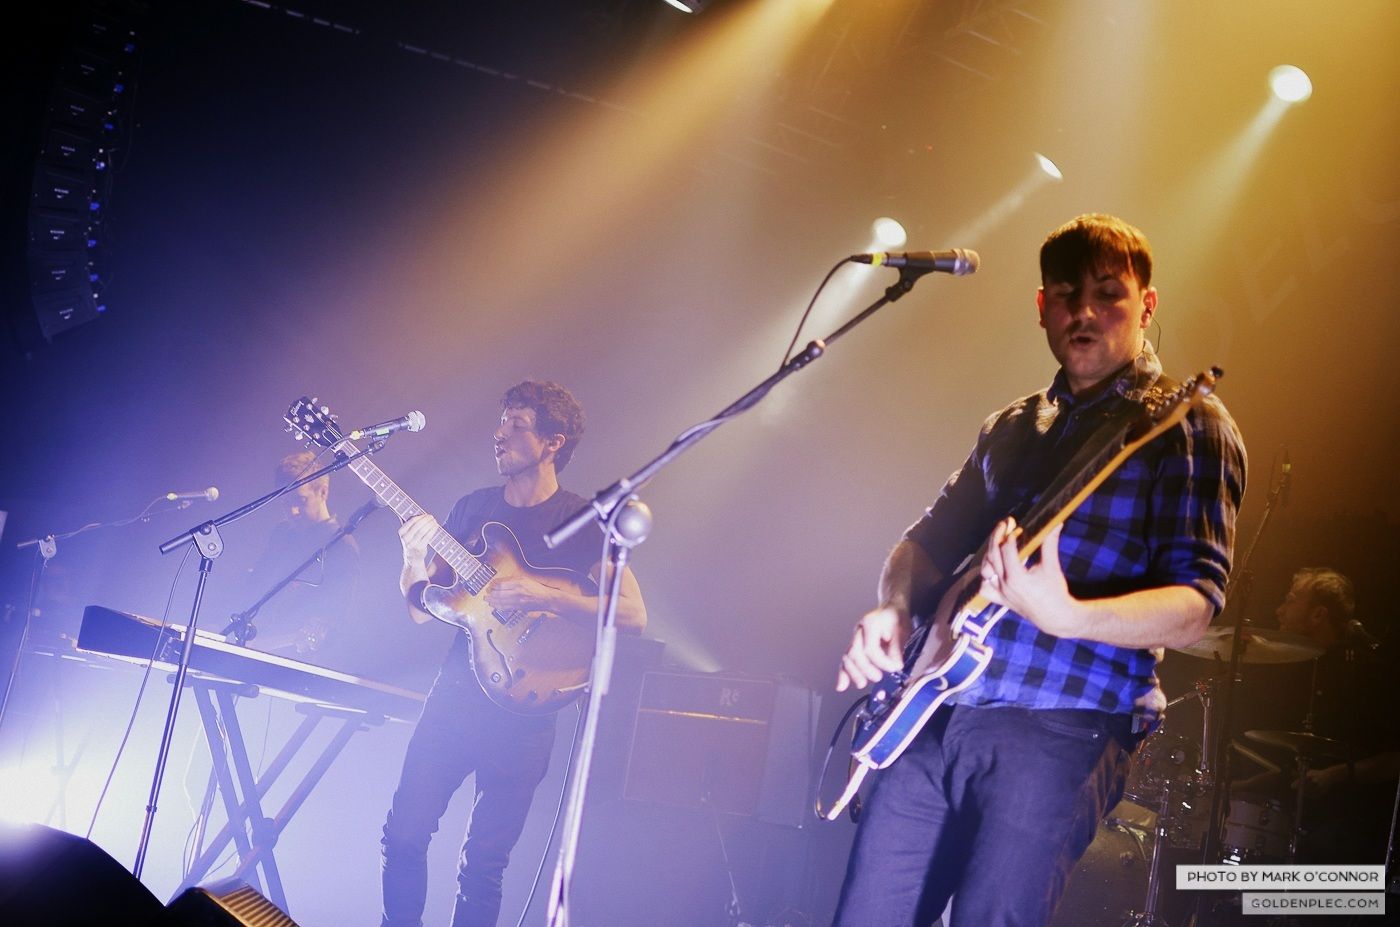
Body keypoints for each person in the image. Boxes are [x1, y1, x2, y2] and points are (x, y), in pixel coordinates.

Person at [832, 214, 1247, 926]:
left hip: (1065, 722)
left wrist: (1066, 614)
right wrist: (894, 608)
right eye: (1065, 295)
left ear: (1148, 305)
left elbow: (1196, 602)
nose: (1084, 312)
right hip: (938, 708)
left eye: (1109, 293)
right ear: (1041, 308)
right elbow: (923, 542)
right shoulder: (1011, 426)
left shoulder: (1189, 424)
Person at [380, 380, 647, 927]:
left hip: (527, 712)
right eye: (500, 423)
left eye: (517, 425)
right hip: (454, 699)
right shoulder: (473, 508)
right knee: (403, 834)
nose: (499, 435)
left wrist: (542, 594)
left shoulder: (581, 521)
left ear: (554, 442)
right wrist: (411, 555)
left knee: (483, 866)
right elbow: (418, 608)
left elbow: (633, 615)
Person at [1259, 567, 1397, 864]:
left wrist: (1337, 776)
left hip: (1354, 832)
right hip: (1307, 820)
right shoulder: (1301, 671)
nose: (1279, 609)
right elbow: (1294, 768)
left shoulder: (1367, 674)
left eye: (1291, 600)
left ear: (1318, 615)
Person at [233, 449, 360, 662]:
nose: (292, 511)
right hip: (252, 645)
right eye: (285, 502)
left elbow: (330, 622)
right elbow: (255, 587)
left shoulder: (341, 546)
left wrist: (265, 645)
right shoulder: (281, 534)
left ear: (323, 492)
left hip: (289, 660)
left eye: (300, 500)